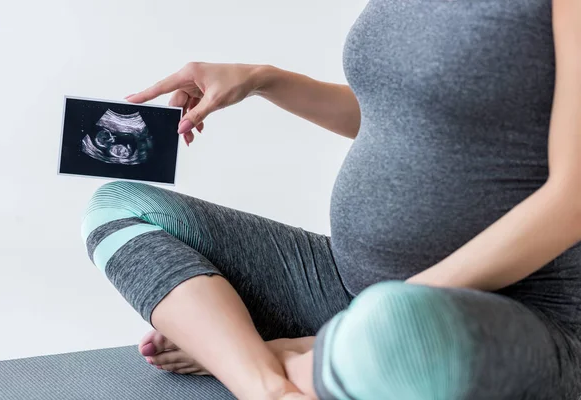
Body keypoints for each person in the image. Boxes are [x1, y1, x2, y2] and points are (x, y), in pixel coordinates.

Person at [81, 1, 581, 399]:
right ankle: (268, 382)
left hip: (511, 316)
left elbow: (571, 203)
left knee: (399, 328)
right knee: (118, 205)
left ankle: (278, 348)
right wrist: (262, 79)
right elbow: (400, 119)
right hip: (349, 288)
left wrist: (375, 315)